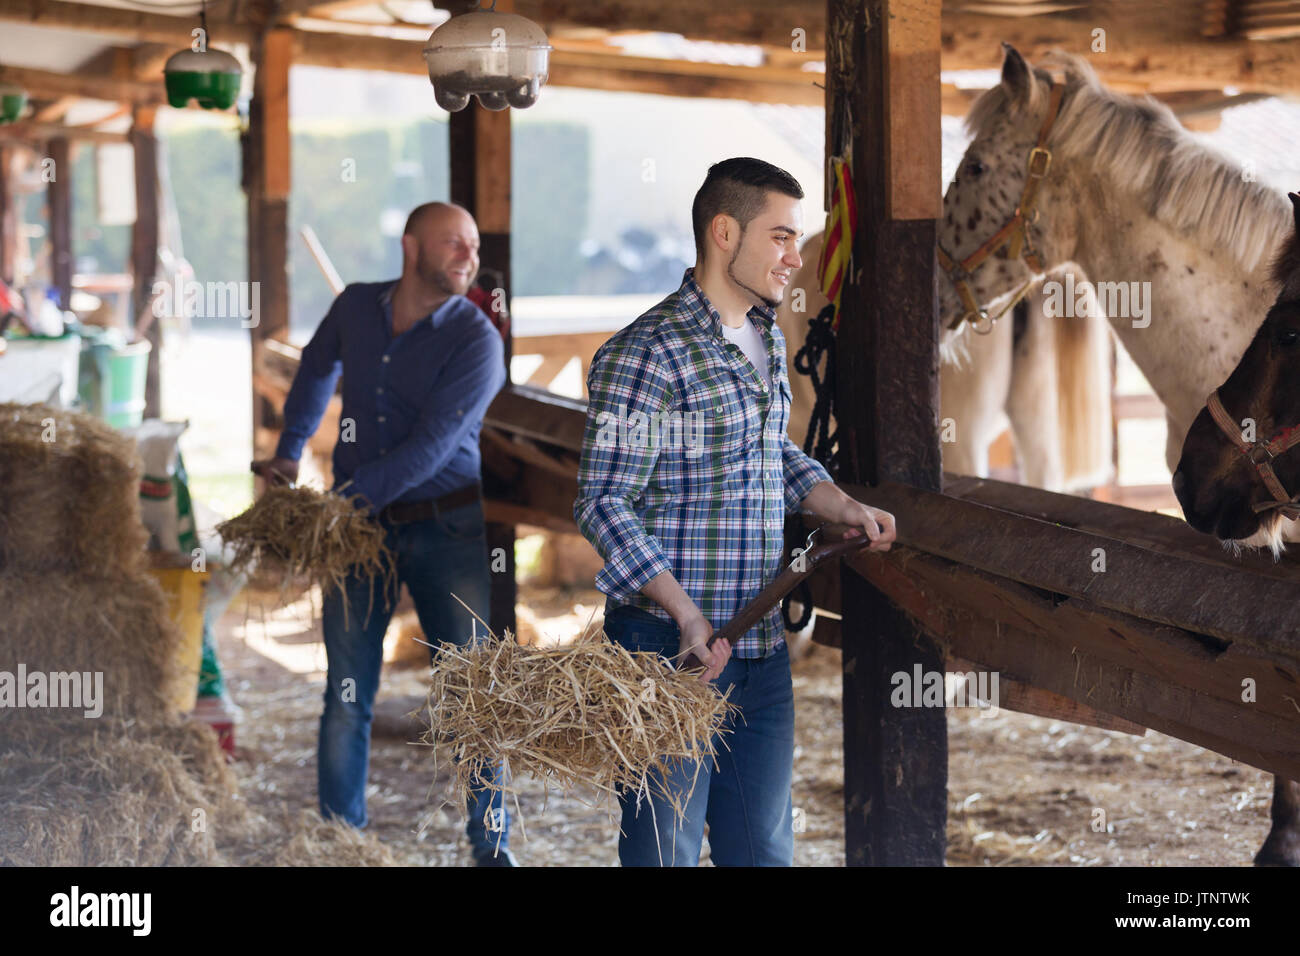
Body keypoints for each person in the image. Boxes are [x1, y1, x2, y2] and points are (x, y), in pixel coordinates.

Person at [574, 157, 897, 866]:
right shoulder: (645, 354)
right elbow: (603, 502)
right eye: (780, 237)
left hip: (756, 648)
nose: (795, 257)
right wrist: (687, 615)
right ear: (724, 232)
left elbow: (769, 454)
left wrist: (841, 505)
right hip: (666, 651)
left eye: (798, 239)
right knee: (666, 849)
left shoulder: (766, 337)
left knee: (762, 850)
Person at [251, 201, 516, 866]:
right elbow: (315, 367)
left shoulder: (476, 340)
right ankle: (342, 840)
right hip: (357, 532)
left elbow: (430, 448)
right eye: (454, 243)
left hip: (444, 527)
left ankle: (492, 847)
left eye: (474, 247)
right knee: (347, 690)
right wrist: (289, 450)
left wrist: (341, 505)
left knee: (469, 696)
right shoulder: (356, 309)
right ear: (411, 246)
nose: (468, 257)